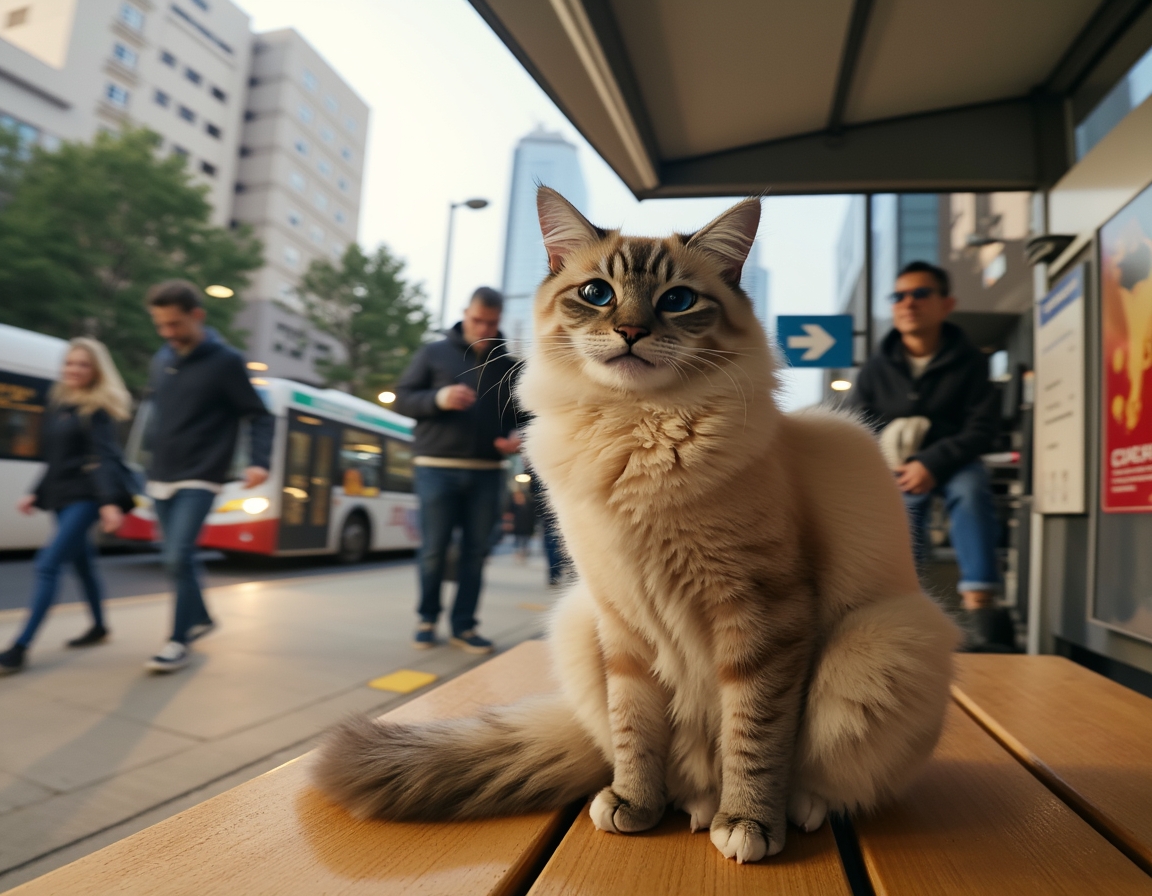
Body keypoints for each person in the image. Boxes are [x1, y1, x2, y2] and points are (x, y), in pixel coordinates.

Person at [852, 261, 1008, 646]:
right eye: (899, 296)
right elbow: (855, 426)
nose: (908, 303)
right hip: (894, 467)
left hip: (953, 463)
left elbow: (982, 428)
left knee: (971, 490)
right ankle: (907, 612)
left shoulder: (971, 361)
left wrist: (932, 462)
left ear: (946, 304)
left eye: (921, 294)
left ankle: (980, 604)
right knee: (903, 509)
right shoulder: (875, 368)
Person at [142, 280, 274, 672]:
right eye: (161, 326)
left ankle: (177, 640)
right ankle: (201, 617)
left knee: (177, 554)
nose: (168, 333)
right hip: (161, 473)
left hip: (201, 474)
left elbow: (259, 414)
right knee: (176, 560)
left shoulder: (225, 361)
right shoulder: (161, 359)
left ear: (197, 316)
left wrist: (258, 461)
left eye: (175, 324)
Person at [394, 287, 521, 654]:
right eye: (477, 319)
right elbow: (402, 397)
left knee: (476, 552)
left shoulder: (509, 365)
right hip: (436, 466)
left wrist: (517, 436)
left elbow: (525, 417)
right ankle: (427, 618)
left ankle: (464, 626)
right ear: (465, 313)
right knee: (433, 549)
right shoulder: (433, 353)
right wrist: (438, 398)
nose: (483, 328)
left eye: (491, 322)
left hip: (487, 470)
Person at [0, 339, 133, 675]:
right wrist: (35, 492)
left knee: (47, 565)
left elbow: (103, 459)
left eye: (82, 365)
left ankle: (19, 648)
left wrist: (108, 504)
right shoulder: (60, 404)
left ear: (96, 371)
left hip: (85, 498)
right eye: (70, 363)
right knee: (84, 565)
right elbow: (55, 460)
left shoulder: (96, 410)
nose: (73, 369)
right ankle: (100, 627)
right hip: (61, 496)